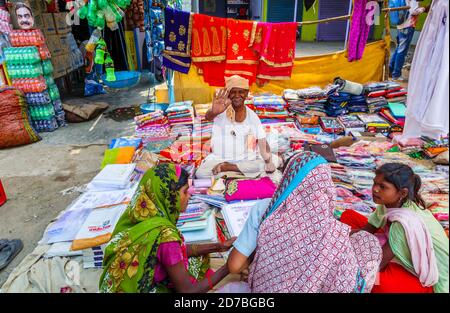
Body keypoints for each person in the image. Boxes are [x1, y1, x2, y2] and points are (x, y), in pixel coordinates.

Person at [226, 152, 383, 293]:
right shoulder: (331, 229)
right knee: (365, 242)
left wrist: (258, 257)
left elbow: (234, 266)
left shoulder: (265, 209)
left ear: (287, 177)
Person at [99, 164, 236, 293]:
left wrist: (219, 246)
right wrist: (228, 267)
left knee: (197, 259)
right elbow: (187, 292)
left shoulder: (139, 215)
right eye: (184, 192)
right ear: (170, 196)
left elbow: (176, 252)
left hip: (114, 286)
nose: (189, 196)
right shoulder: (166, 236)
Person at [341, 163, 449, 293]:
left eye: (382, 187)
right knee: (349, 216)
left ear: (402, 193)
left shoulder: (404, 222)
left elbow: (379, 265)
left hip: (427, 276)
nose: (375, 189)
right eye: (375, 183)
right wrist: (339, 236)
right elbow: (367, 230)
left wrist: (341, 257)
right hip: (392, 245)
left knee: (376, 282)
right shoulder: (388, 202)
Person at [195, 75, 279, 180]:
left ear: (247, 94)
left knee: (273, 161)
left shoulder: (252, 116)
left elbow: (262, 141)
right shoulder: (221, 110)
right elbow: (208, 117)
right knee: (201, 174)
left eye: (241, 92)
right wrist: (213, 111)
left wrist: (268, 161)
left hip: (244, 160)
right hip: (219, 159)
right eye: (233, 92)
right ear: (228, 94)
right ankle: (238, 173)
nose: (237, 95)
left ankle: (228, 169)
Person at [389, 0, 428, 81]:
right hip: (408, 26)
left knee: (398, 49)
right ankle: (396, 75)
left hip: (401, 25)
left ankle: (391, 70)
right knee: (402, 52)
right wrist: (423, 9)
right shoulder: (413, 0)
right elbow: (413, 11)